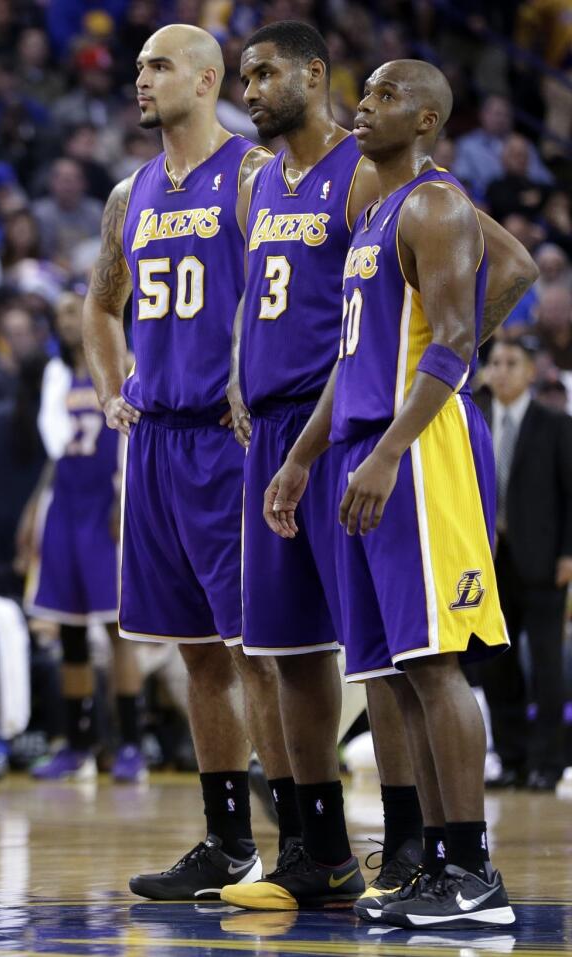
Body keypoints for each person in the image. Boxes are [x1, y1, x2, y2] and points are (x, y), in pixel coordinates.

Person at [222, 21, 537, 912]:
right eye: (366, 95)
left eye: (387, 96)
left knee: (437, 660)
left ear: (429, 118)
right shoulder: (372, 217)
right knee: (396, 668)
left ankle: (474, 872)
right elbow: (353, 363)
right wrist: (301, 459)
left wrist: (393, 446)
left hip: (416, 448)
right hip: (357, 442)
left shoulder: (436, 204)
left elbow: (455, 346)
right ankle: (436, 862)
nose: (367, 106)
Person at [82, 24, 295, 901]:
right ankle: (226, 840)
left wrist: (257, 377)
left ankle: (306, 837)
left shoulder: (252, 174)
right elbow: (99, 309)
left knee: (262, 650)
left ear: (208, 81)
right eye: (137, 67)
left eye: (158, 65)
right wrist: (108, 389)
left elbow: (290, 285)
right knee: (199, 652)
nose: (141, 78)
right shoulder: (127, 192)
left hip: (227, 435)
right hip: (157, 442)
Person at [23, 290, 145, 783]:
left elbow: (134, 440)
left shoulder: (130, 364)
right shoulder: (56, 376)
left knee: (118, 629)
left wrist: (126, 501)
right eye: (61, 315)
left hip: (106, 504)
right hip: (65, 505)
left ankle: (132, 743)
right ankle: (77, 744)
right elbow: (54, 449)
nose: (66, 321)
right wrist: (34, 512)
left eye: (74, 311)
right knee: (69, 629)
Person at [475, 338, 572, 792]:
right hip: (487, 561)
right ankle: (511, 759)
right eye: (495, 362)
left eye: (512, 363)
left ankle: (546, 762)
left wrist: (569, 553)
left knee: (548, 666)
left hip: (544, 559)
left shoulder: (556, 423)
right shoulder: (472, 420)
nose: (501, 370)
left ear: (532, 372)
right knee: (496, 663)